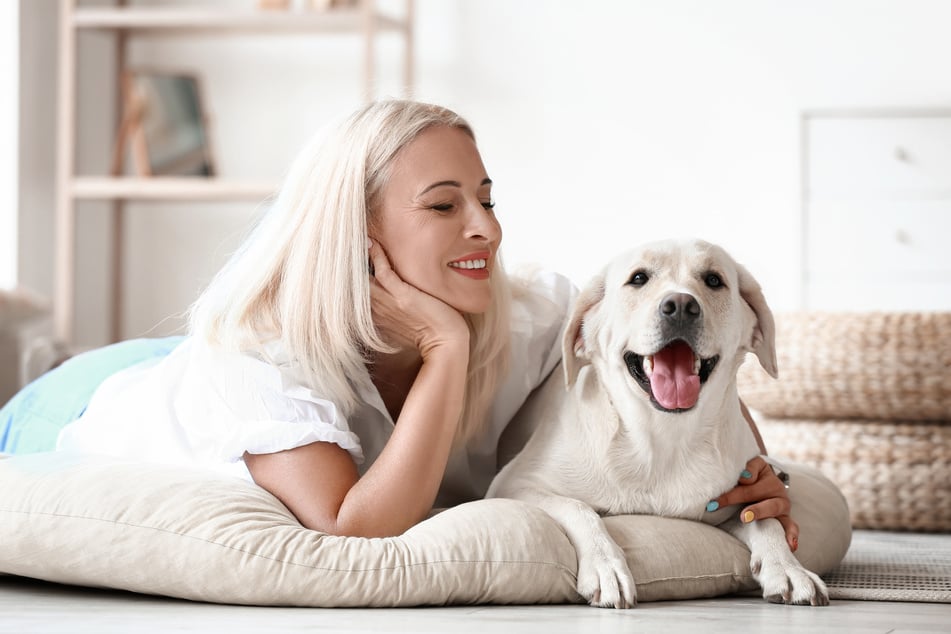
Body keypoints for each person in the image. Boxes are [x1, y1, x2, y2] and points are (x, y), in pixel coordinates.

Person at [4, 99, 798, 543]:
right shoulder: (259, 364)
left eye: (486, 199)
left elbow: (669, 359)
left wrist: (754, 469)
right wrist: (444, 350)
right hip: (85, 404)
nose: (484, 228)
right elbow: (357, 527)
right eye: (443, 206)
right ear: (356, 233)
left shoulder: (536, 313)